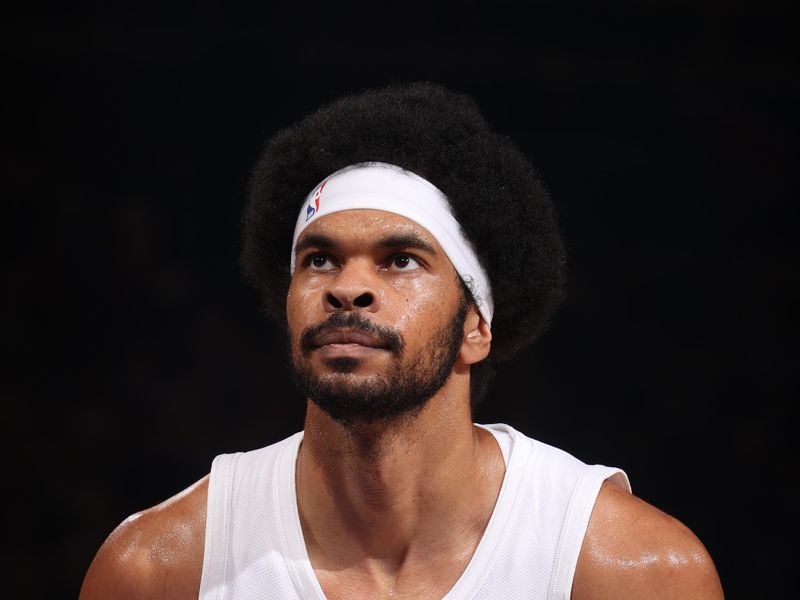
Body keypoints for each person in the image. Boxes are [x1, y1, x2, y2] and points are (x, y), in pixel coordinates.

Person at [80, 82, 724, 599]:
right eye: (320, 260)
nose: (348, 287)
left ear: (475, 327)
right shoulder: (160, 570)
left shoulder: (631, 572)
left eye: (400, 260)